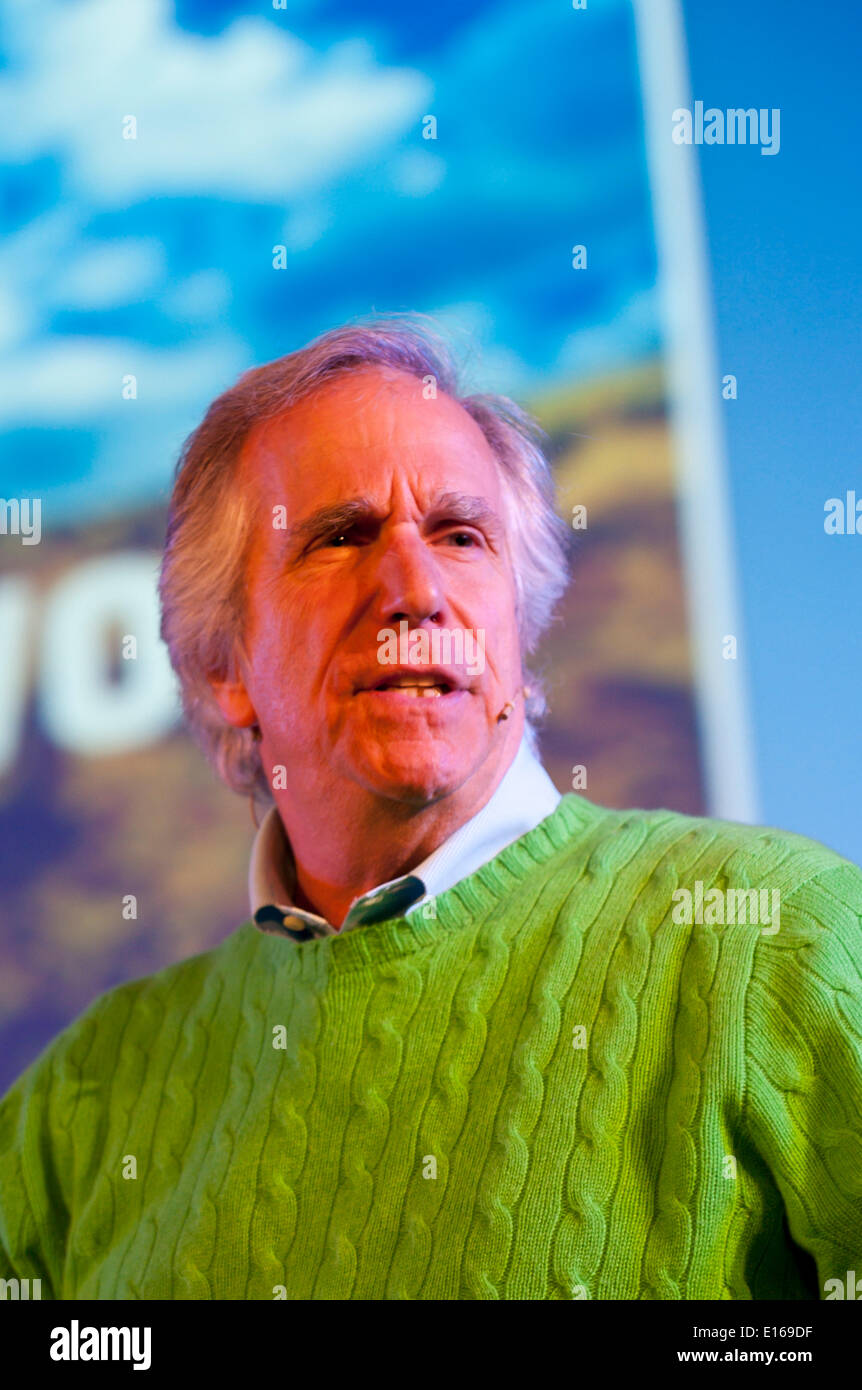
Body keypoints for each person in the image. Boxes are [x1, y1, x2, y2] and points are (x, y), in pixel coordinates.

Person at [1, 316, 860, 1301]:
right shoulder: (78, 1108)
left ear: (518, 624)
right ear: (221, 666)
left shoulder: (786, 938)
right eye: (339, 538)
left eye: (461, 536)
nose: (415, 588)